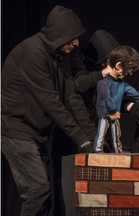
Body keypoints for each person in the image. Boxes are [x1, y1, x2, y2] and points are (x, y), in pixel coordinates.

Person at [1, 5, 93, 215]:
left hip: (36, 133)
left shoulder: (60, 56)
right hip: (16, 130)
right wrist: (81, 138)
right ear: (60, 34)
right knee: (37, 191)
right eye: (72, 38)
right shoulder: (32, 53)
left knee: (45, 194)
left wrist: (94, 137)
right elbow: (52, 103)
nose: (76, 43)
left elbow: (72, 98)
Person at [51, 29, 119, 215]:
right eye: (106, 61)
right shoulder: (76, 60)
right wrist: (103, 73)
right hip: (71, 132)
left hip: (94, 129)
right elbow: (79, 84)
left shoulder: (106, 73)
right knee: (66, 187)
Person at [94, 46, 139, 153]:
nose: (130, 73)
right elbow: (106, 98)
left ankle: (118, 150)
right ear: (118, 66)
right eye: (128, 69)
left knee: (116, 134)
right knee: (102, 133)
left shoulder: (122, 85)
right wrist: (112, 112)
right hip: (106, 115)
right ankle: (98, 150)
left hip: (115, 115)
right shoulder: (103, 83)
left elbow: (137, 96)